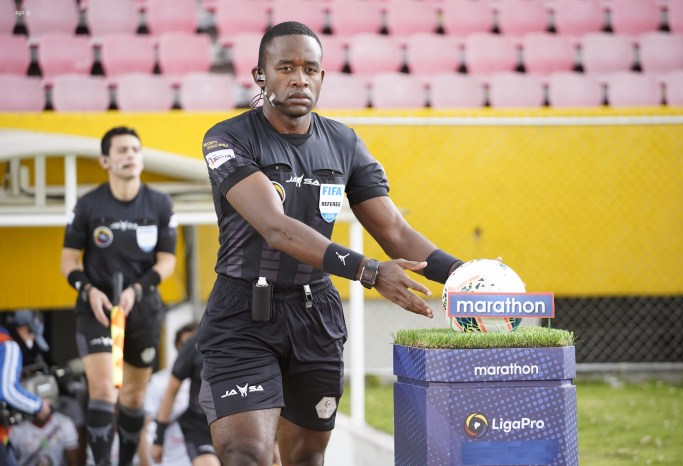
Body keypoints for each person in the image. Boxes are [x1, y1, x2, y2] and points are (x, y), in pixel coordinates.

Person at [197, 21, 464, 466]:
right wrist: (370, 271)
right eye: (285, 68)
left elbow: (395, 231)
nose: (299, 79)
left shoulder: (343, 141)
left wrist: (465, 276)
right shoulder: (227, 138)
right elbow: (276, 228)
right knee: (245, 454)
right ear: (260, 75)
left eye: (310, 69)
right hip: (242, 315)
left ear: (322, 76)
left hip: (315, 314)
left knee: (306, 458)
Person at [60, 126, 177, 466]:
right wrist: (88, 290)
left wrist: (137, 290)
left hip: (142, 308)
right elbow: (68, 261)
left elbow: (167, 261)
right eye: (122, 150)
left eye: (135, 150)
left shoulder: (159, 203)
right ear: (105, 161)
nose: (130, 156)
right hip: (97, 308)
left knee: (133, 396)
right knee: (103, 390)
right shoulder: (88, 204)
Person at [150, 325, 219, 466]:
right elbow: (171, 392)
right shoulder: (194, 345)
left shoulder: (246, 341)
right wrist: (158, 438)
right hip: (200, 426)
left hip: (235, 424)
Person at [138, 322, 198, 466]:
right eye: (186, 344)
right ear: (177, 346)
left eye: (196, 344)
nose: (191, 349)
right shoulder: (158, 381)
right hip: (167, 457)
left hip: (197, 451)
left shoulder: (205, 381)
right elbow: (145, 423)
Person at [0, 311, 53, 466]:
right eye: (33, 335)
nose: (33, 341)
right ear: (24, 329)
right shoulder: (9, 345)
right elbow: (8, 391)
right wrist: (39, 405)